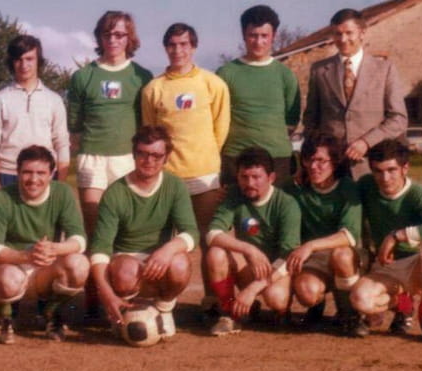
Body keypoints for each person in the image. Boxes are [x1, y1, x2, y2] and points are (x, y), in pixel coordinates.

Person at [67, 10, 152, 316]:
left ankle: (122, 294)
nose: (113, 40)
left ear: (130, 38)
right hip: (93, 159)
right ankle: (94, 297)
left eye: (119, 34)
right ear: (99, 37)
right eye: (107, 34)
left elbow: (146, 124)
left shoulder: (141, 76)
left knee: (121, 231)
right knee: (95, 230)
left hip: (127, 160)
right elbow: (74, 126)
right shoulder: (83, 77)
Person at [141, 22, 230, 311]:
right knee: (163, 242)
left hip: (205, 176)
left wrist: (206, 158)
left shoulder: (212, 83)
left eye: (183, 44)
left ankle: (215, 302)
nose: (178, 50)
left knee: (210, 241)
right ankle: (162, 302)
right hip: (167, 178)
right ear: (165, 48)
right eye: (172, 45)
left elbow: (221, 129)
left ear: (193, 47)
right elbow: (150, 133)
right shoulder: (153, 89)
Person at [89, 126, 198, 340]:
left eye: (157, 155)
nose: (149, 161)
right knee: (126, 270)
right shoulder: (115, 192)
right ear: (134, 154)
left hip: (159, 261)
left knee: (180, 263)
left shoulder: (175, 186)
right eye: (143, 154)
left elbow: (191, 233)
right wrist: (107, 294)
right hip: (126, 264)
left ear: (166, 157)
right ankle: (126, 310)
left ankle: (164, 310)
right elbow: (100, 250)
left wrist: (167, 250)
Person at [0, 145, 89, 343]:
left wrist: (55, 249)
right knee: (7, 278)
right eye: (27, 172)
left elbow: (79, 239)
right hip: (13, 266)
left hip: (45, 268)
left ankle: (51, 312)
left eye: (41, 173)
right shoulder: (1, 197)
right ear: (17, 172)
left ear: (51, 174)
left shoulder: (62, 193)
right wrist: (26, 255)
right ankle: (5, 315)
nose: (33, 179)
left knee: (79, 264)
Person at [349, 139, 422, 342]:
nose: (385, 178)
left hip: (417, 265)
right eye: (378, 171)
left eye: (392, 170)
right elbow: (341, 190)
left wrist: (396, 236)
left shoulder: (416, 193)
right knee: (361, 301)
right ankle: (402, 304)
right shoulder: (366, 186)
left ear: (405, 168)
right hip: (386, 266)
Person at [205, 146, 301, 336]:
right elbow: (212, 234)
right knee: (216, 253)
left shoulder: (286, 204)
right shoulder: (234, 194)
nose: (249, 183)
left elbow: (288, 256)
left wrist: (253, 289)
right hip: (250, 266)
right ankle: (229, 313)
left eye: (256, 177)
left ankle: (281, 312)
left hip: (276, 270)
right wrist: (249, 250)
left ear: (271, 177)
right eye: (244, 177)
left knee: (276, 298)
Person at [303, 8, 408, 179]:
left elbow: (398, 119)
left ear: (362, 33)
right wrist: (319, 154)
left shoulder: (385, 69)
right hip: (332, 169)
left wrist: (366, 142)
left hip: (371, 165)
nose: (343, 39)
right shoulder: (319, 70)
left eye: (349, 33)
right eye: (338, 34)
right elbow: (310, 119)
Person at [282, 133, 366, 337]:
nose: (313, 166)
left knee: (341, 255)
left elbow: (348, 236)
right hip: (315, 259)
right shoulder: (295, 187)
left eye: (321, 161)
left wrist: (309, 246)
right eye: (309, 160)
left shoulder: (347, 188)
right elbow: (264, 190)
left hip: (347, 255)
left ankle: (349, 314)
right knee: (307, 292)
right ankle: (316, 307)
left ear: (335, 162)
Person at [216, 5, 300, 185]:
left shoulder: (285, 75)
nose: (258, 42)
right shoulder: (226, 73)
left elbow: (292, 118)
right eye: (253, 35)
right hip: (236, 159)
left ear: (273, 36)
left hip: (277, 158)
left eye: (264, 36)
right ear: (243, 35)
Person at [0, 34, 69, 194]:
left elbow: (62, 143)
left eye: (29, 59)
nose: (24, 65)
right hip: (7, 174)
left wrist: (61, 185)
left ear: (38, 61)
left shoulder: (54, 100)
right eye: (18, 59)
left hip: (44, 175)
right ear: (12, 62)